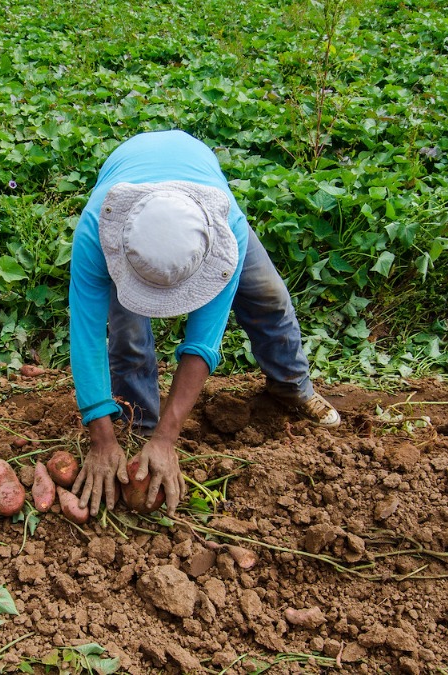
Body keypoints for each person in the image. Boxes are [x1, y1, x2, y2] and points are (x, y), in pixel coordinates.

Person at [68, 130, 341, 517]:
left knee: (270, 299)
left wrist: (170, 437)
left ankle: (291, 387)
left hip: (205, 203)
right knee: (127, 332)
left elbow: (203, 342)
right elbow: (87, 336)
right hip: (128, 211)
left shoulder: (225, 229)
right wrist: (100, 438)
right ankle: (138, 423)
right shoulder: (99, 232)